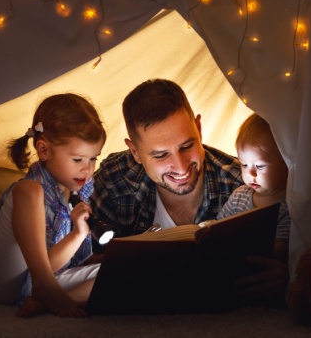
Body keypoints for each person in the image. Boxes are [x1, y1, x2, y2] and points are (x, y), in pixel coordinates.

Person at [90, 78, 288, 306]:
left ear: (199, 129)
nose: (181, 166)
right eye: (161, 155)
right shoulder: (115, 180)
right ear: (135, 151)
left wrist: (287, 277)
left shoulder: (243, 184)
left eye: (186, 146)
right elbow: (78, 262)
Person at [0, 93, 106, 318]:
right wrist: (76, 235)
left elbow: (53, 265)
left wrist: (81, 236)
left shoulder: (81, 192)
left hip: (42, 280)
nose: (87, 169)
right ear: (44, 151)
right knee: (28, 191)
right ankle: (46, 290)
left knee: (121, 274)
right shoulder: (34, 187)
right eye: (78, 159)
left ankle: (42, 302)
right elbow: (40, 268)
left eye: (93, 159)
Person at [217, 113, 291, 263]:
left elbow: (278, 251)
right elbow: (217, 229)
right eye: (244, 164)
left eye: (260, 166)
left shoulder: (289, 205)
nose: (251, 173)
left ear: (286, 162)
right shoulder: (239, 197)